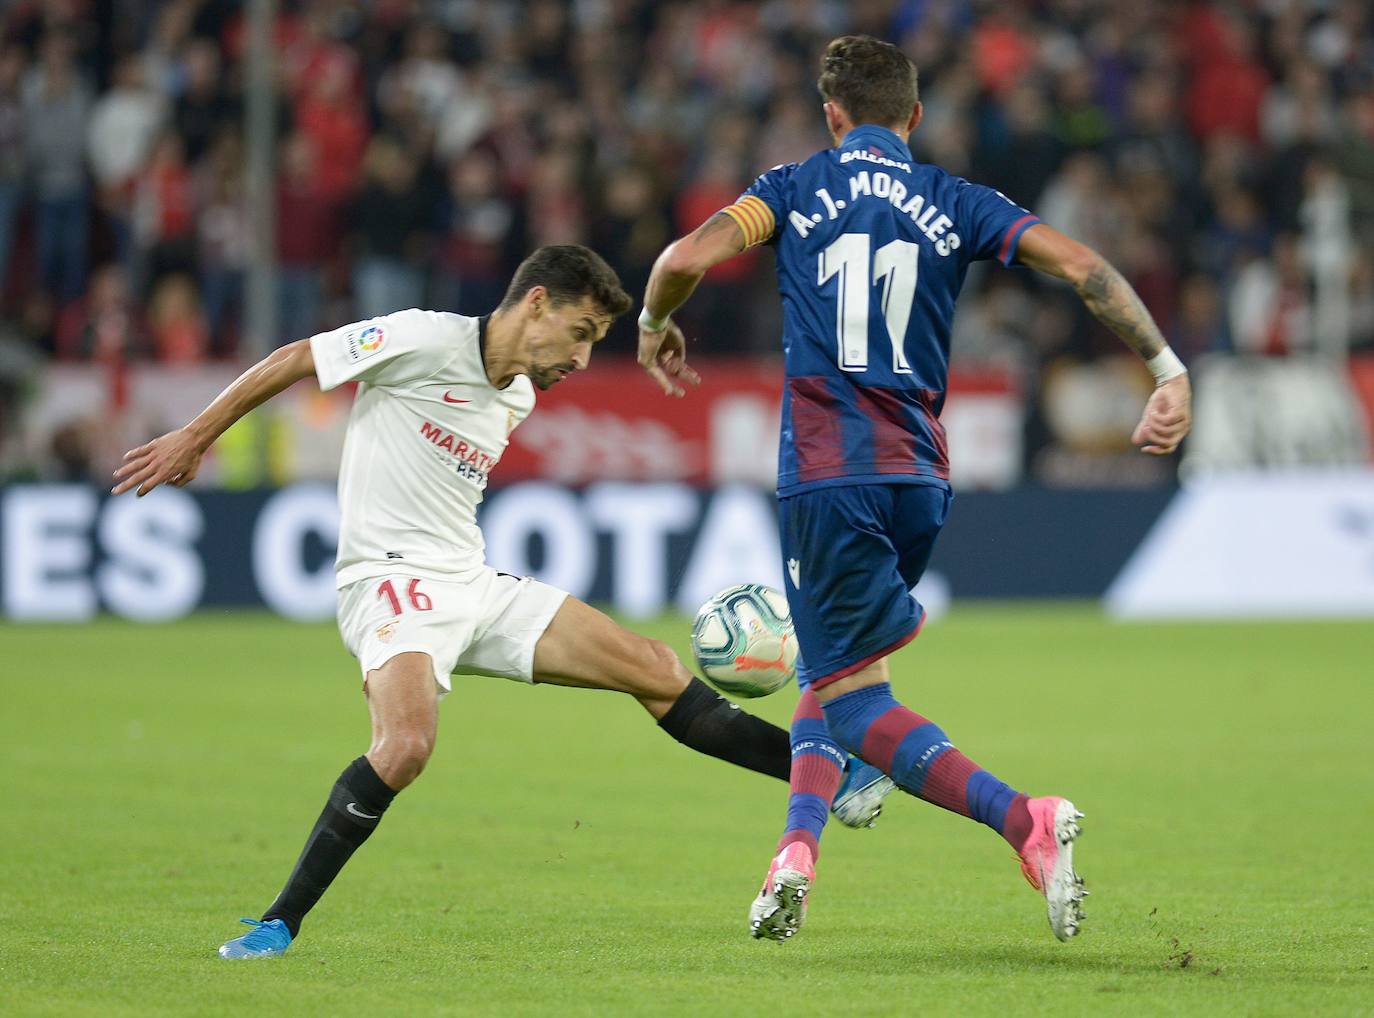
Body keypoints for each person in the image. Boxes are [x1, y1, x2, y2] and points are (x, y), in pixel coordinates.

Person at [111, 245, 893, 959]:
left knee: (654, 667)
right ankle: (279, 922)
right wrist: (195, 437)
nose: (581, 358)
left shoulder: (516, 392)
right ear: (536, 303)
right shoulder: (422, 338)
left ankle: (831, 772)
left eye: (594, 342)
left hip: (470, 582)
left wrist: (654, 333)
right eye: (580, 334)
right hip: (387, 579)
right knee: (406, 746)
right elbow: (296, 358)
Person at [637, 36, 1192, 943]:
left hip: (828, 475)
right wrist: (1166, 369)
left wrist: (655, 322)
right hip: (920, 477)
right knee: (837, 667)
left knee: (856, 704)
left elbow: (681, 259)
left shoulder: (791, 188)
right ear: (916, 116)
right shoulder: (957, 199)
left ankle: (1023, 818)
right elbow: (1087, 270)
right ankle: (796, 852)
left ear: (832, 115)